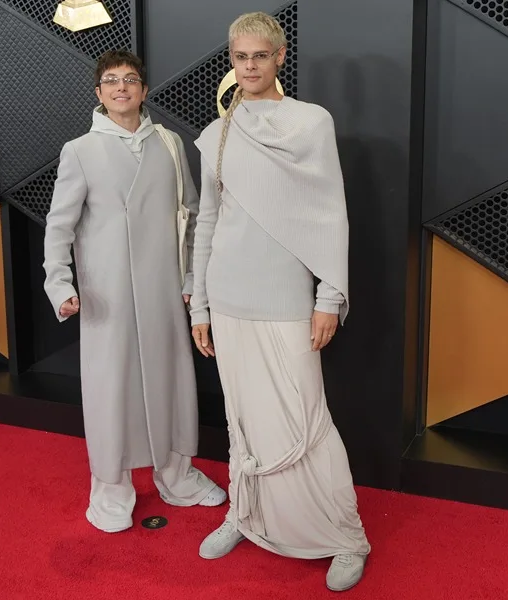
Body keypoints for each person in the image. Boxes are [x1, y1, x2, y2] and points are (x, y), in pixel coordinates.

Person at [189, 12, 370, 592]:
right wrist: (199, 306)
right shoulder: (216, 135)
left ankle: (346, 536)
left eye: (260, 56)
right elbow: (207, 223)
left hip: (289, 296)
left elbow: (330, 214)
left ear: (280, 57)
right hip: (229, 293)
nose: (249, 67)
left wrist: (330, 295)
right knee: (241, 418)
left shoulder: (311, 123)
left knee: (306, 417)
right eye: (240, 57)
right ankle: (246, 514)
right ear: (232, 60)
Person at [42, 49, 226, 534]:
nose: (121, 87)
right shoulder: (79, 150)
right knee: (110, 390)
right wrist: (59, 283)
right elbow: (58, 227)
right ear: (99, 94)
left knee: (170, 383)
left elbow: (190, 214)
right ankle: (110, 489)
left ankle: (177, 476)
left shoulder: (168, 143)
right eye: (110, 81)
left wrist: (192, 281)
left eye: (130, 79)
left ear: (144, 90)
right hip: (108, 296)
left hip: (165, 290)